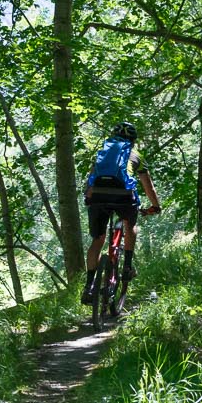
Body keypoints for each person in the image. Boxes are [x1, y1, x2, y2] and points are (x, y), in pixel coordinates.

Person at [81, 121, 161, 304]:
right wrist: (155, 206)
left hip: (98, 198)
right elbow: (149, 187)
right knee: (129, 225)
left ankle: (89, 287)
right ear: (132, 140)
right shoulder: (135, 155)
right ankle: (126, 267)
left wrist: (89, 197)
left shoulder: (102, 153)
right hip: (124, 197)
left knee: (98, 240)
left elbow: (91, 179)